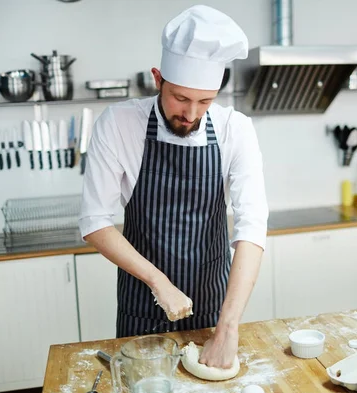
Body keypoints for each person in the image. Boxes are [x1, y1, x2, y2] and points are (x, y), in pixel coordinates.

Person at [78, 4, 268, 369]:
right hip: (142, 306)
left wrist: (228, 327)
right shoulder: (119, 124)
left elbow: (252, 224)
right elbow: (94, 222)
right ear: (157, 78)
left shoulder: (235, 129)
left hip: (215, 306)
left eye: (205, 101)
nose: (192, 114)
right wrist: (157, 281)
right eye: (180, 98)